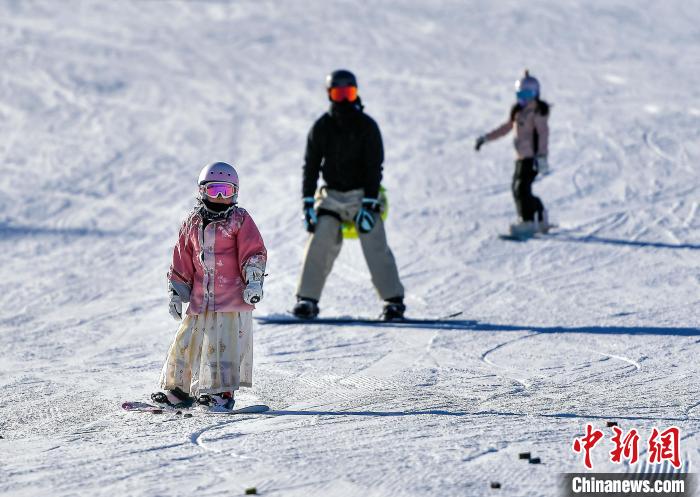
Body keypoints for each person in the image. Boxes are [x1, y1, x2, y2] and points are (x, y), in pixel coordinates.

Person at [152, 161, 267, 411]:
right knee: (185, 344)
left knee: (222, 348)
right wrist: (176, 292)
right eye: (213, 190)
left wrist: (254, 281)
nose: (218, 197)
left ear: (234, 193)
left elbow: (253, 253)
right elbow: (181, 260)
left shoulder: (239, 220)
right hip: (200, 299)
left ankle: (221, 394)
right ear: (202, 191)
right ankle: (179, 392)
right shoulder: (192, 222)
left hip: (231, 299)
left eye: (224, 192)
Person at [293, 69, 405, 321]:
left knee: (373, 236)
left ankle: (393, 300)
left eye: (349, 93)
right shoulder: (322, 127)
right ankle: (307, 299)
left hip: (361, 195)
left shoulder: (367, 126)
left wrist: (370, 201)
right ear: (330, 95)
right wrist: (308, 203)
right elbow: (310, 166)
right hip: (331, 195)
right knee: (320, 236)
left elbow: (374, 167)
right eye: (338, 93)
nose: (344, 99)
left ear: (356, 93)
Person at [475, 70, 551, 237]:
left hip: (532, 158)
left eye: (527, 94)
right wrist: (486, 138)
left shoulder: (537, 112)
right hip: (521, 158)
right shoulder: (519, 112)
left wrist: (542, 156)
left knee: (521, 188)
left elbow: (543, 134)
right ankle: (538, 214)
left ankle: (528, 220)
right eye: (520, 94)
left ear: (535, 94)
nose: (523, 98)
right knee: (518, 189)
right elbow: (504, 129)